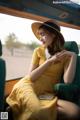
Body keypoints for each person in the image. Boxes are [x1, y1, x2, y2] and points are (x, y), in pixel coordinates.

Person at [6, 20, 79, 120]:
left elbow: (68, 81)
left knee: (74, 111)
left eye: (42, 34)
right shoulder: (38, 51)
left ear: (53, 34)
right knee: (37, 110)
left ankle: (14, 110)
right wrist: (49, 61)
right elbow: (31, 77)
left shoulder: (65, 56)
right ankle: (6, 115)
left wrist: (73, 56)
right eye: (39, 35)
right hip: (28, 86)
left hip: (45, 94)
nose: (40, 38)